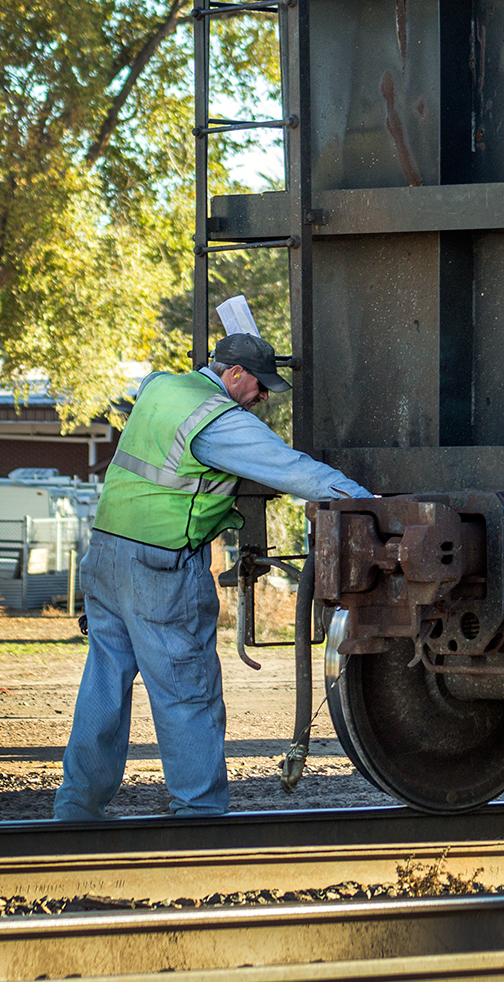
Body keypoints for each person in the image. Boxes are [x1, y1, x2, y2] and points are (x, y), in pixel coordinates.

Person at [53, 333, 372, 821]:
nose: (264, 398)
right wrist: (366, 503)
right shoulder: (217, 421)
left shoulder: (161, 388)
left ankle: (76, 808)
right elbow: (291, 469)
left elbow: (155, 393)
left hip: (106, 555)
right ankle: (199, 814)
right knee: (187, 688)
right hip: (158, 566)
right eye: (260, 386)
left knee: (103, 682)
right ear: (233, 375)